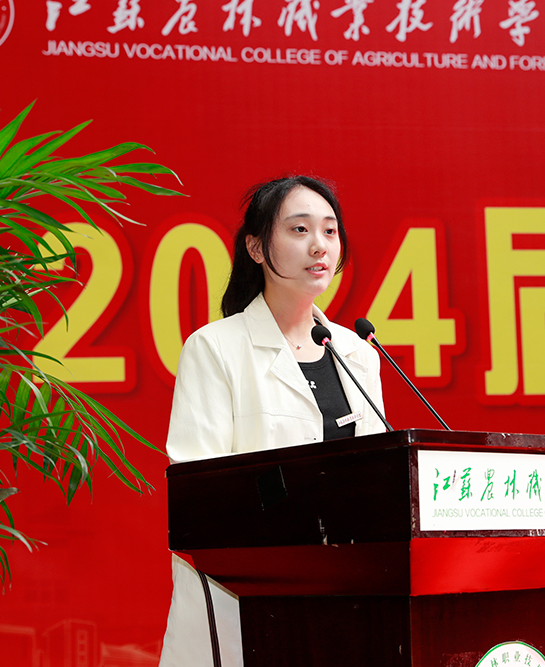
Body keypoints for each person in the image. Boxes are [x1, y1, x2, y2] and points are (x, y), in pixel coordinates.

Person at [158, 175, 386, 667]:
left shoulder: (357, 353)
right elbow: (200, 497)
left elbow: (378, 486)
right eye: (300, 230)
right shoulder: (215, 348)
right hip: (245, 606)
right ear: (257, 248)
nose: (319, 246)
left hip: (343, 604)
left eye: (329, 231)